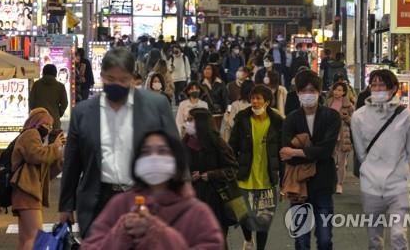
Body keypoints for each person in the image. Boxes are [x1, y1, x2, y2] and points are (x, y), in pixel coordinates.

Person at [59, 47, 179, 239]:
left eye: (122, 80)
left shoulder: (156, 105)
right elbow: (72, 162)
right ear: (101, 76)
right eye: (110, 79)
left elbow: (175, 155)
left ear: (132, 78)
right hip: (98, 201)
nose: (116, 84)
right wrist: (66, 205)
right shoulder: (83, 112)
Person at [81, 130, 224, 249]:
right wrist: (122, 231)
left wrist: (156, 231)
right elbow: (90, 246)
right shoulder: (119, 204)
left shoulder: (197, 213)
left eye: (162, 151)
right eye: (146, 152)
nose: (154, 158)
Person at [351, 69, 410, 250]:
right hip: (371, 185)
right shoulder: (358, 117)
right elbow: (360, 152)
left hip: (398, 185)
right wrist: (369, 170)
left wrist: (402, 170)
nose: (377, 88)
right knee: (374, 239)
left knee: (398, 235)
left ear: (393, 88)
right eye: (374, 85)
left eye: (382, 85)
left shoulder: (408, 117)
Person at [281, 70, 341, 250]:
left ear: (319, 92)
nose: (308, 94)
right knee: (301, 239)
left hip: (323, 182)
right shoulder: (291, 119)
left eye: (312, 90)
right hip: (298, 185)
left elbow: (327, 150)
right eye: (304, 91)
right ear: (298, 93)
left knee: (324, 238)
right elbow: (284, 153)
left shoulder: (331, 116)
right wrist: (310, 152)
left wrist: (297, 152)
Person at [229, 85, 283, 250]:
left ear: (267, 102)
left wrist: (284, 181)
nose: (255, 101)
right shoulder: (242, 119)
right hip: (243, 177)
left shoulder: (277, 122)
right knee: (241, 213)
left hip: (267, 179)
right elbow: (232, 146)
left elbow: (281, 152)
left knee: (263, 220)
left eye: (259, 98)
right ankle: (247, 239)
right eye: (253, 98)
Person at [11, 108, 65, 250]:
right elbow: (36, 156)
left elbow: (44, 172)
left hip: (25, 192)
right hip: (27, 192)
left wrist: (58, 156)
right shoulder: (30, 133)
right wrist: (55, 146)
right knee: (34, 237)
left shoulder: (33, 137)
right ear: (37, 122)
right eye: (46, 125)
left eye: (51, 126)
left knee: (26, 239)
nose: (48, 129)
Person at [183, 108, 238, 244]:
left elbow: (232, 168)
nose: (187, 123)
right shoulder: (184, 143)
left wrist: (211, 174)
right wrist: (188, 176)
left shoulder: (217, 144)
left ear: (201, 123)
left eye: (191, 120)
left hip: (216, 199)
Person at [325, 81, 354, 194]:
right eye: (335, 89)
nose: (337, 92)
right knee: (329, 160)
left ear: (344, 92)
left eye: (340, 90)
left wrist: (346, 118)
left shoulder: (348, 105)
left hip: (343, 135)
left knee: (342, 161)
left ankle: (339, 184)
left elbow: (354, 121)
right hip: (330, 134)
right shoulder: (328, 102)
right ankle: (330, 182)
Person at [29, 64, 68, 130]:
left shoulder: (36, 85)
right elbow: (65, 103)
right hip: (54, 120)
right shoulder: (60, 86)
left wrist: (36, 112)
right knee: (54, 139)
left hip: (38, 121)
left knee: (38, 139)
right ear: (55, 73)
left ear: (43, 72)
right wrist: (58, 113)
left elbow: (31, 102)